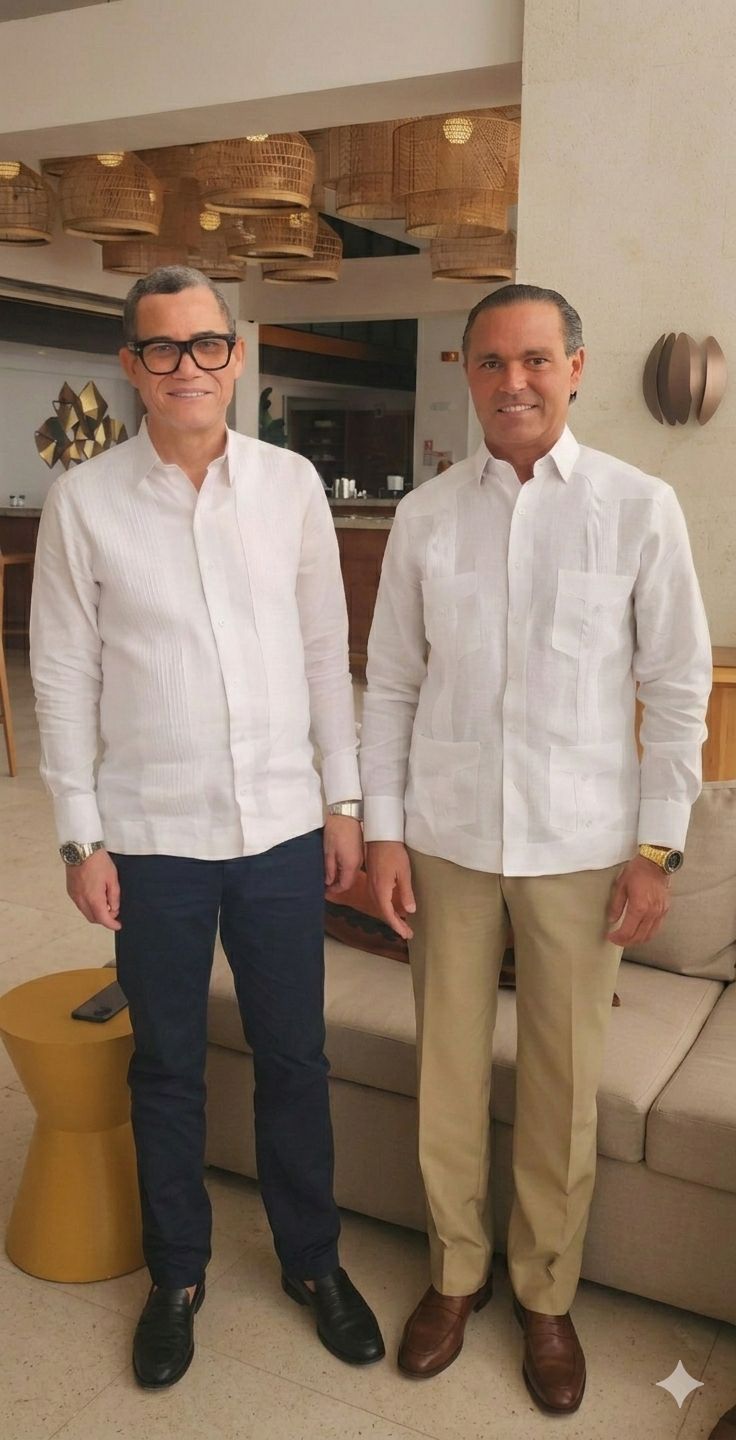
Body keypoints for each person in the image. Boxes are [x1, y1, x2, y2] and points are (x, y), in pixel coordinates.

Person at [30, 265, 384, 1389]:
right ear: (132, 366)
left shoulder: (289, 485)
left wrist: (343, 802)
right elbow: (62, 675)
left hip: (280, 827)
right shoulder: (85, 502)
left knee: (294, 1057)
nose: (189, 366)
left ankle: (312, 1261)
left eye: (208, 344)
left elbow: (325, 654)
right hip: (152, 836)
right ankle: (176, 1275)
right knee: (168, 1066)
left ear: (236, 356)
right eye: (164, 348)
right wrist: (81, 836)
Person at [360, 283, 711, 1414]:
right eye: (491, 362)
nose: (513, 382)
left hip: (581, 847)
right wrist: (383, 831)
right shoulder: (425, 517)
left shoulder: (638, 506)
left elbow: (677, 688)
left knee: (561, 1087)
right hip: (450, 839)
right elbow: (392, 684)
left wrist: (657, 850)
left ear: (574, 368)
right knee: (447, 1073)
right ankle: (453, 1277)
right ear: (466, 373)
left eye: (535, 360)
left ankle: (546, 1295)